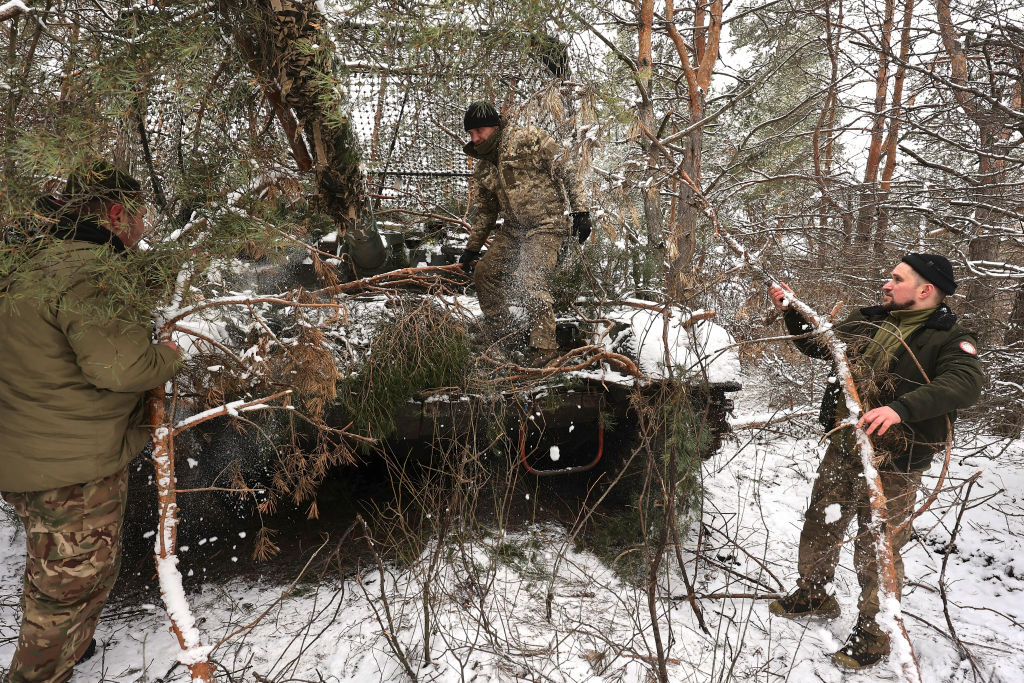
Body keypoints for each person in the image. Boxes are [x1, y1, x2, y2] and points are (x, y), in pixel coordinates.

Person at [0, 162, 181, 683]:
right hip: (70, 465)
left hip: (33, 451)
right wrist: (168, 354)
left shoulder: (34, 258)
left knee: (59, 570)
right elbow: (120, 367)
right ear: (118, 213)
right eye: (141, 215)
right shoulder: (87, 268)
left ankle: (70, 651)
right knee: (70, 586)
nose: (143, 227)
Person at [766, 254, 984, 669]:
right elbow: (821, 346)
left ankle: (874, 635)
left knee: (877, 547)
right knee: (822, 521)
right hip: (844, 445)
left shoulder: (948, 337)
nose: (886, 284)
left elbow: (965, 384)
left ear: (925, 291)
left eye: (896, 279)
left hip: (897, 460)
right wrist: (792, 313)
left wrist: (901, 408)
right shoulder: (871, 320)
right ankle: (814, 594)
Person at [458, 101, 590, 364]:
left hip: (546, 225)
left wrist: (581, 211)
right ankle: (504, 334)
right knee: (485, 273)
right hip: (513, 230)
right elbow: (486, 209)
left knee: (530, 276)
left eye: (479, 131)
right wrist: (472, 247)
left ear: (495, 127)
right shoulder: (484, 165)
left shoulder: (527, 138)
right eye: (471, 134)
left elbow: (568, 166)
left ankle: (544, 348)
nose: (475, 138)